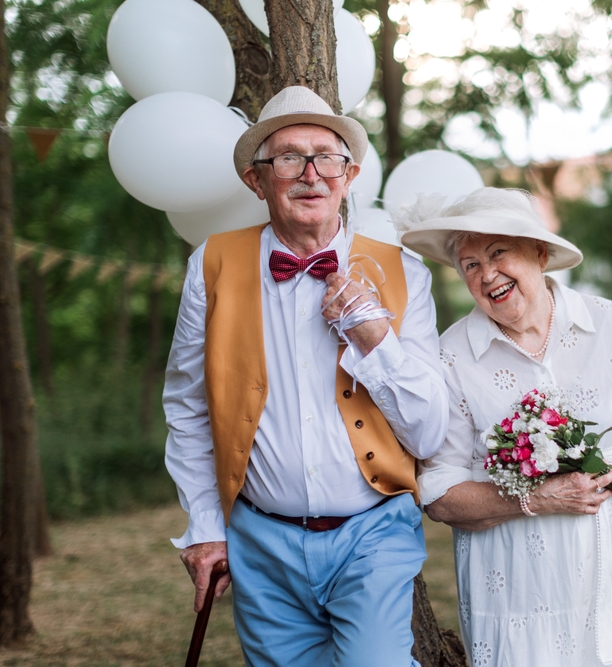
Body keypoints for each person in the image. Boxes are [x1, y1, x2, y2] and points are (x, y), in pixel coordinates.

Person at [163, 85, 448, 666]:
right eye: (289, 157)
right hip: (259, 539)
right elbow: (190, 409)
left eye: (327, 157)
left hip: (373, 533)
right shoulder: (210, 264)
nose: (310, 174)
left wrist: (372, 335)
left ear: (350, 174)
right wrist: (205, 527)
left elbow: (428, 432)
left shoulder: (404, 273)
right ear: (257, 179)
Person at [398, 187, 612, 666]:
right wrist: (536, 499)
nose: (487, 275)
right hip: (519, 584)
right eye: (470, 265)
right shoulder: (450, 355)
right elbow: (438, 494)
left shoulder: (606, 320)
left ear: (540, 253)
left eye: (498, 253)